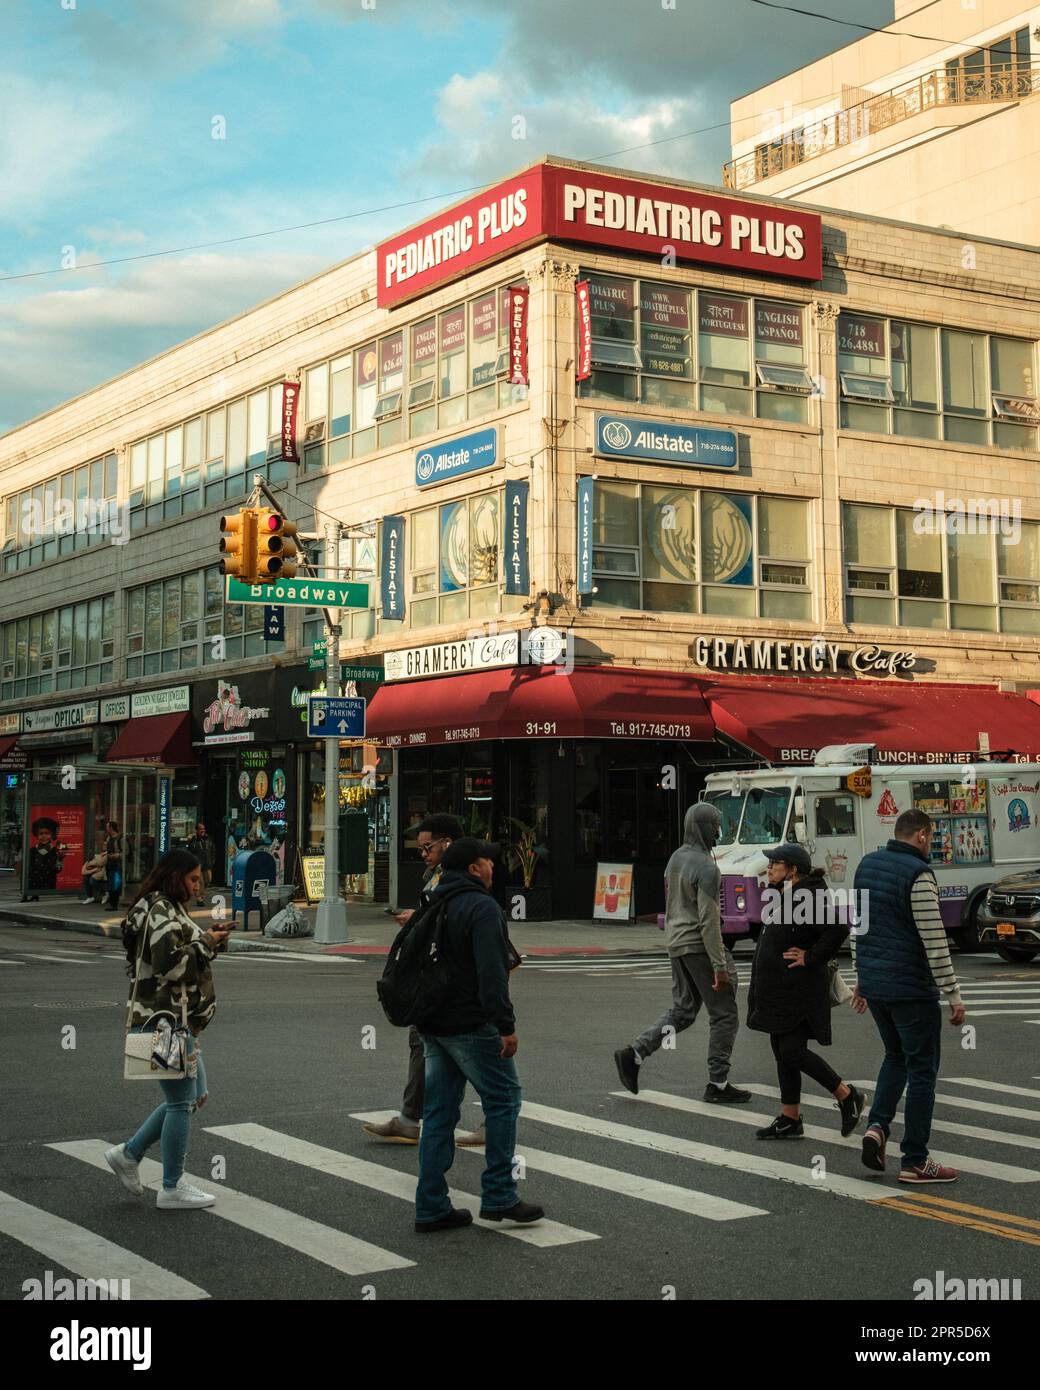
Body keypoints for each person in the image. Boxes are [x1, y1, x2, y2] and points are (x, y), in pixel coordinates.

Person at [414, 837, 542, 1232]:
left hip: (433, 1024)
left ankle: (431, 1205)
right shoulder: (482, 907)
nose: (493, 867)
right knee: (504, 1098)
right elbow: (492, 975)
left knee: (438, 1112)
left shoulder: (435, 901)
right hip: (470, 1024)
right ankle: (500, 1193)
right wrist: (506, 1026)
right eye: (488, 861)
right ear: (473, 868)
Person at [104, 849, 231, 1209]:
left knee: (193, 1097)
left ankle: (129, 1155)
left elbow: (181, 954)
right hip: (163, 1020)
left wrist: (211, 940)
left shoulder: (167, 907)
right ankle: (171, 1187)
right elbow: (172, 966)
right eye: (192, 879)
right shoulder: (160, 909)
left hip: (174, 1019)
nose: (197, 886)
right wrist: (206, 942)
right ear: (175, 876)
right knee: (181, 1103)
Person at [852, 809, 966, 1184]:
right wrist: (953, 993)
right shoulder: (919, 875)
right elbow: (934, 939)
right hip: (911, 989)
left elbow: (860, 925)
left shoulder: (866, 866)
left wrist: (861, 977)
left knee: (894, 1056)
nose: (930, 845)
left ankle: (877, 1127)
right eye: (930, 838)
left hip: (877, 986)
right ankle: (915, 1159)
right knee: (922, 1070)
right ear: (920, 835)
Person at [363, 814, 489, 1146]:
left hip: (455, 986)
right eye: (419, 848)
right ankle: (412, 1119)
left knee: (470, 1050)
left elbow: (450, 920)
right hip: (436, 981)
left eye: (427, 847)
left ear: (448, 844)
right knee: (425, 1044)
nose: (423, 853)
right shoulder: (437, 876)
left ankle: (493, 1118)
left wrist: (416, 919)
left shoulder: (461, 878)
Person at [615, 803, 751, 1103]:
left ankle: (635, 1052)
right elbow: (709, 920)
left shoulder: (675, 858)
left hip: (676, 942)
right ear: (705, 828)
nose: (719, 830)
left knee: (684, 1010)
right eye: (716, 825)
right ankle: (718, 1083)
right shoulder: (707, 868)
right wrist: (719, 966)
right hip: (699, 945)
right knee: (725, 1013)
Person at [747, 844, 866, 1139]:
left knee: (792, 1050)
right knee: (782, 1050)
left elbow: (838, 928)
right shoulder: (794, 893)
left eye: (776, 863)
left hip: (798, 990)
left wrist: (809, 957)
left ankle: (847, 1095)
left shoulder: (809, 895)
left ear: (793, 869)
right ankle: (790, 1118)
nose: (770, 867)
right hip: (783, 991)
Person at [186, 822, 216, 906]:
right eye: (201, 829)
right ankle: (199, 898)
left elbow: (213, 850)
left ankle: (201, 894)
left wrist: (212, 861)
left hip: (207, 865)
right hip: (197, 865)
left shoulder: (208, 839)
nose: (203, 831)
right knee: (200, 882)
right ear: (197, 831)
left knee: (208, 880)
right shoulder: (193, 841)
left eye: (204, 829)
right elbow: (190, 852)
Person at [104, 820, 125, 911]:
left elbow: (125, 853)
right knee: (111, 884)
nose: (106, 829)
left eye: (107, 827)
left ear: (111, 828)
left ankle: (114, 904)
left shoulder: (120, 839)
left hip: (117, 865)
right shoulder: (109, 838)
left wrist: (116, 855)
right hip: (110, 864)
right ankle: (111, 903)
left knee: (115, 885)